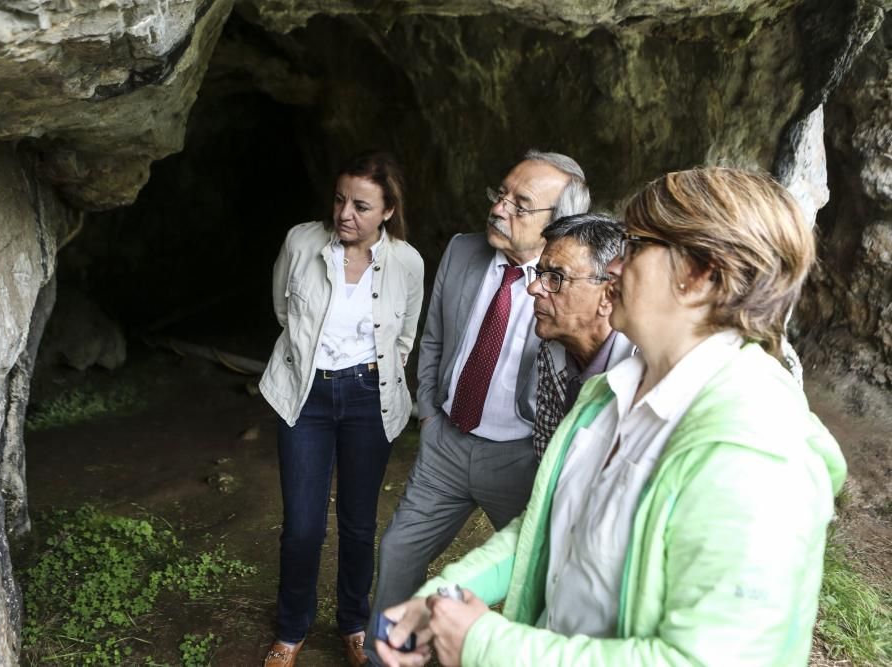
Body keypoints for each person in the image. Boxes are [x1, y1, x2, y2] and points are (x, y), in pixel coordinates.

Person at [375, 167, 847, 667]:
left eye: (636, 245)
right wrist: (444, 595)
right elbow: (549, 528)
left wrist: (484, 644)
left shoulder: (755, 453)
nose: (616, 267)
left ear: (701, 273)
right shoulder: (608, 393)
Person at [366, 150, 590, 662]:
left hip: (518, 457)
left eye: (521, 204)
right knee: (398, 551)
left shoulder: (572, 287)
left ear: (558, 224)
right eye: (501, 193)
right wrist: (430, 411)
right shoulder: (462, 251)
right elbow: (434, 339)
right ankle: (387, 659)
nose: (499, 207)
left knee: (537, 577)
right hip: (446, 441)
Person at [258, 150, 424, 667]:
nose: (344, 214)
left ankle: (353, 622)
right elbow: (283, 307)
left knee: (358, 522)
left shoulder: (408, 262)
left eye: (361, 206)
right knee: (303, 525)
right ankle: (291, 628)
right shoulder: (301, 242)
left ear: (388, 211)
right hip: (306, 394)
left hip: (367, 398)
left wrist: (375, 376)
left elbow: (405, 336)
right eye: (339, 200)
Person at [528, 212, 635, 461]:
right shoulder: (551, 349)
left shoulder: (644, 366)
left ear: (609, 295)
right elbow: (548, 447)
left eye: (556, 277)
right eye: (540, 274)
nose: (533, 288)